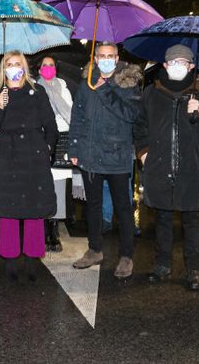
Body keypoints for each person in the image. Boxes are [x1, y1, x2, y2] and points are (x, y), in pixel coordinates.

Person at [134, 45, 199, 291]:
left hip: (190, 168)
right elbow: (139, 126)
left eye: (183, 62)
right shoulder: (151, 93)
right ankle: (162, 265)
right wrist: (143, 153)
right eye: (172, 62)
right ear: (164, 65)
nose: (177, 66)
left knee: (191, 221)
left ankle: (193, 270)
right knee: (162, 219)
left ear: (191, 66)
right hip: (159, 166)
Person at [69, 43, 143, 279]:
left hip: (117, 156)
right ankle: (94, 249)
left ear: (118, 57)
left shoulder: (128, 82)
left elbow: (130, 115)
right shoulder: (86, 83)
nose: (106, 60)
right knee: (92, 206)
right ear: (95, 58)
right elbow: (77, 116)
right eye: (101, 56)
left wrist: (105, 91)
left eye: (110, 56)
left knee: (123, 208)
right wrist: (74, 146)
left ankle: (126, 256)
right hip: (90, 155)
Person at [0, 51, 58, 282]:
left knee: (33, 208)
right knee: (8, 210)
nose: (14, 67)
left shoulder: (37, 92)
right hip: (5, 158)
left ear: (25, 68)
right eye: (9, 64)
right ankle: (10, 258)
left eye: (18, 64)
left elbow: (50, 125)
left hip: (33, 157)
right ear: (3, 69)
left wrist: (48, 147)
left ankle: (32, 258)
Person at [37, 56, 74, 252]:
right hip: (41, 141)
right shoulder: (34, 87)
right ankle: (43, 228)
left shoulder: (63, 86)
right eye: (45, 65)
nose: (48, 68)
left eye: (52, 64)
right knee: (42, 187)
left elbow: (71, 113)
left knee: (58, 188)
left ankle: (54, 231)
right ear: (39, 69)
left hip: (61, 142)